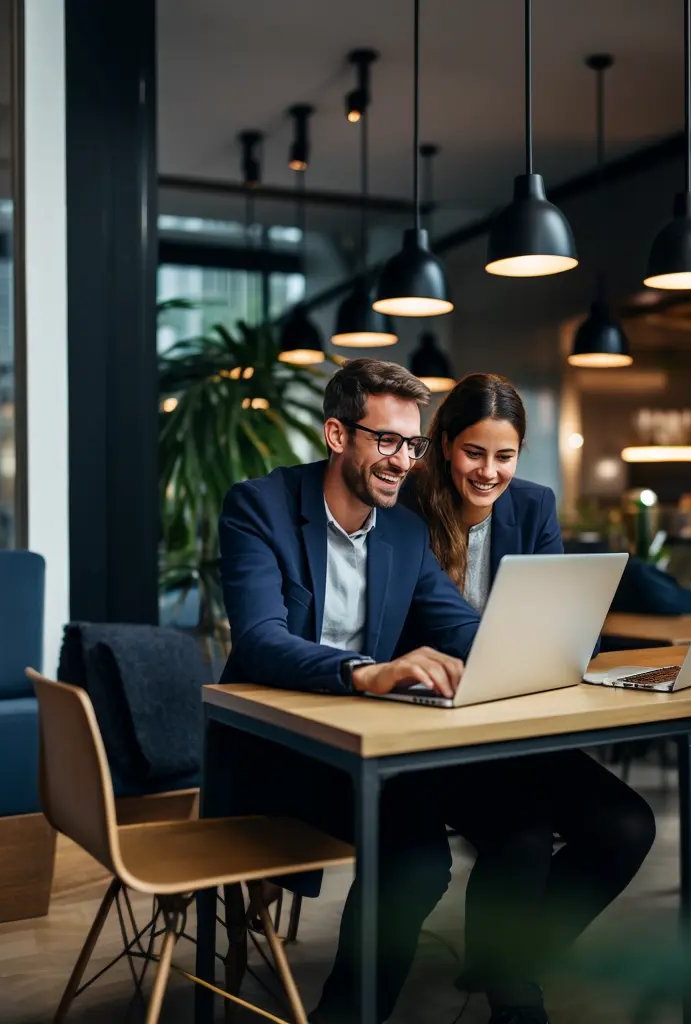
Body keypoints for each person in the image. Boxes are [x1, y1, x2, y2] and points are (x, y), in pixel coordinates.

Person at [218, 358, 479, 1023]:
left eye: (413, 444)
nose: (404, 461)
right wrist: (364, 672)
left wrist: (540, 649)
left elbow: (456, 624)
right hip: (273, 755)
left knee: (429, 852)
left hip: (362, 752)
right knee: (415, 851)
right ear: (338, 436)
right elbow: (259, 640)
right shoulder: (260, 507)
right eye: (387, 440)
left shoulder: (403, 531)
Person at [405, 373, 657, 1022]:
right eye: (474, 453)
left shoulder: (534, 505)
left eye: (505, 455)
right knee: (519, 837)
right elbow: (410, 627)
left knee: (627, 826)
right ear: (443, 444)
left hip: (519, 722)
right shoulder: (405, 508)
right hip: (436, 728)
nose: (490, 471)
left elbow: (561, 612)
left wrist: (574, 640)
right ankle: (513, 995)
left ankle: (506, 959)